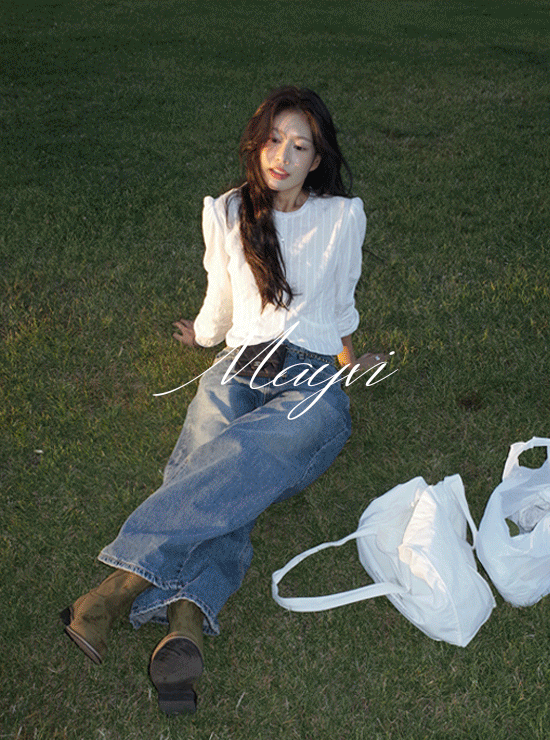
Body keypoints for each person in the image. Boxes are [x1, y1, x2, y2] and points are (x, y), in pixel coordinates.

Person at [60, 85, 388, 715]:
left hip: (311, 380)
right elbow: (222, 298)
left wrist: (350, 359)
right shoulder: (230, 210)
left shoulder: (341, 218)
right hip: (239, 365)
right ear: (257, 142)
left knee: (236, 458)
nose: (283, 157)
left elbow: (341, 301)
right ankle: (184, 619)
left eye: (300, 147)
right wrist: (204, 336)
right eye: (274, 140)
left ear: (317, 159)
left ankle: (117, 586)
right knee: (223, 463)